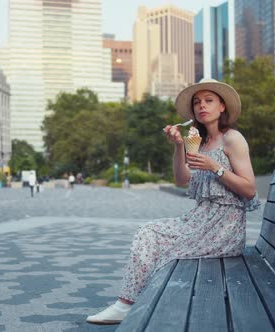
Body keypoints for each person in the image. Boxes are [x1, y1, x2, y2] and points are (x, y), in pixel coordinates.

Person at [86, 78, 260, 325]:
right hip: (200, 220)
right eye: (197, 102)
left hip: (224, 228)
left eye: (209, 101)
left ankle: (130, 305)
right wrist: (179, 147)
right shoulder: (198, 142)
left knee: (157, 242)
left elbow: (250, 189)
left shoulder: (232, 138)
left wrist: (215, 167)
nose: (202, 106)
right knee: (148, 232)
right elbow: (181, 180)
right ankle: (129, 303)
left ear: (222, 107)